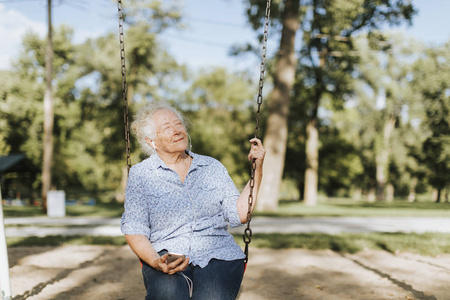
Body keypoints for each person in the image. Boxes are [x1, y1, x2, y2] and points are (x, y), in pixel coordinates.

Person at [121, 103, 265, 300]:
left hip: (218, 253)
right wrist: (155, 261)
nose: (177, 130)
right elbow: (134, 228)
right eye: (167, 128)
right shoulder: (141, 175)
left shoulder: (212, 167)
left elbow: (239, 214)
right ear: (151, 141)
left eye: (178, 124)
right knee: (169, 296)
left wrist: (257, 170)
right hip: (167, 253)